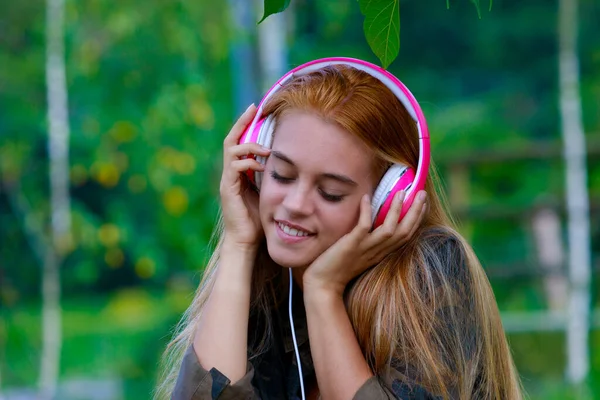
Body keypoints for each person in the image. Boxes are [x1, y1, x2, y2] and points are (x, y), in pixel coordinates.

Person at [154, 59, 523, 400]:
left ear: (388, 200)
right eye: (282, 175)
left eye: (330, 193)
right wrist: (237, 245)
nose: (296, 204)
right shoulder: (263, 282)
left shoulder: (433, 269)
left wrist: (323, 293)